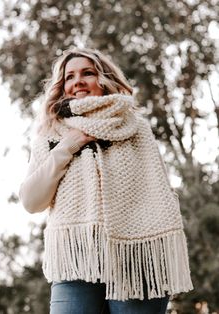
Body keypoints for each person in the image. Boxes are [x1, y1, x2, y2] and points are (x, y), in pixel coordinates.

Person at [19, 47, 193, 314]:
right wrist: (67, 147)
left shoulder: (135, 127)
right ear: (62, 86)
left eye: (87, 73)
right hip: (78, 261)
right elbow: (32, 201)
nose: (78, 81)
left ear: (103, 80)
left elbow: (157, 190)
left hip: (136, 257)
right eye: (69, 76)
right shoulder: (51, 134)